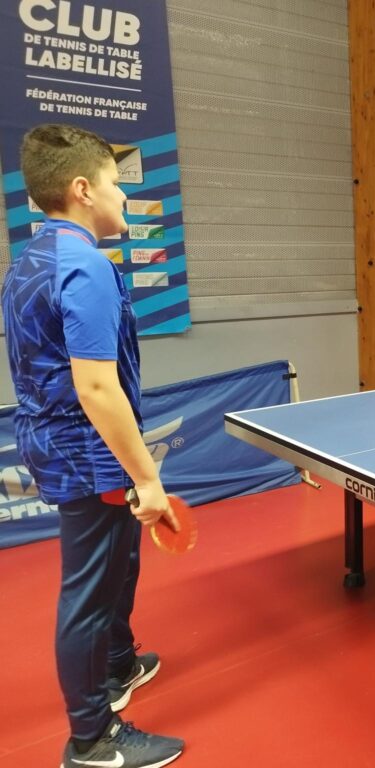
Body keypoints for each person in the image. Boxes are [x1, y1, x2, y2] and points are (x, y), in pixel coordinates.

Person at [1, 124, 184, 767]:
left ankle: (117, 663)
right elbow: (98, 387)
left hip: (63, 443)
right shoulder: (86, 266)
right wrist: (148, 479)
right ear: (83, 189)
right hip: (87, 451)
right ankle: (92, 739)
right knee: (90, 589)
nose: (125, 197)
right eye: (115, 183)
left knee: (118, 564)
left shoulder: (30, 259)